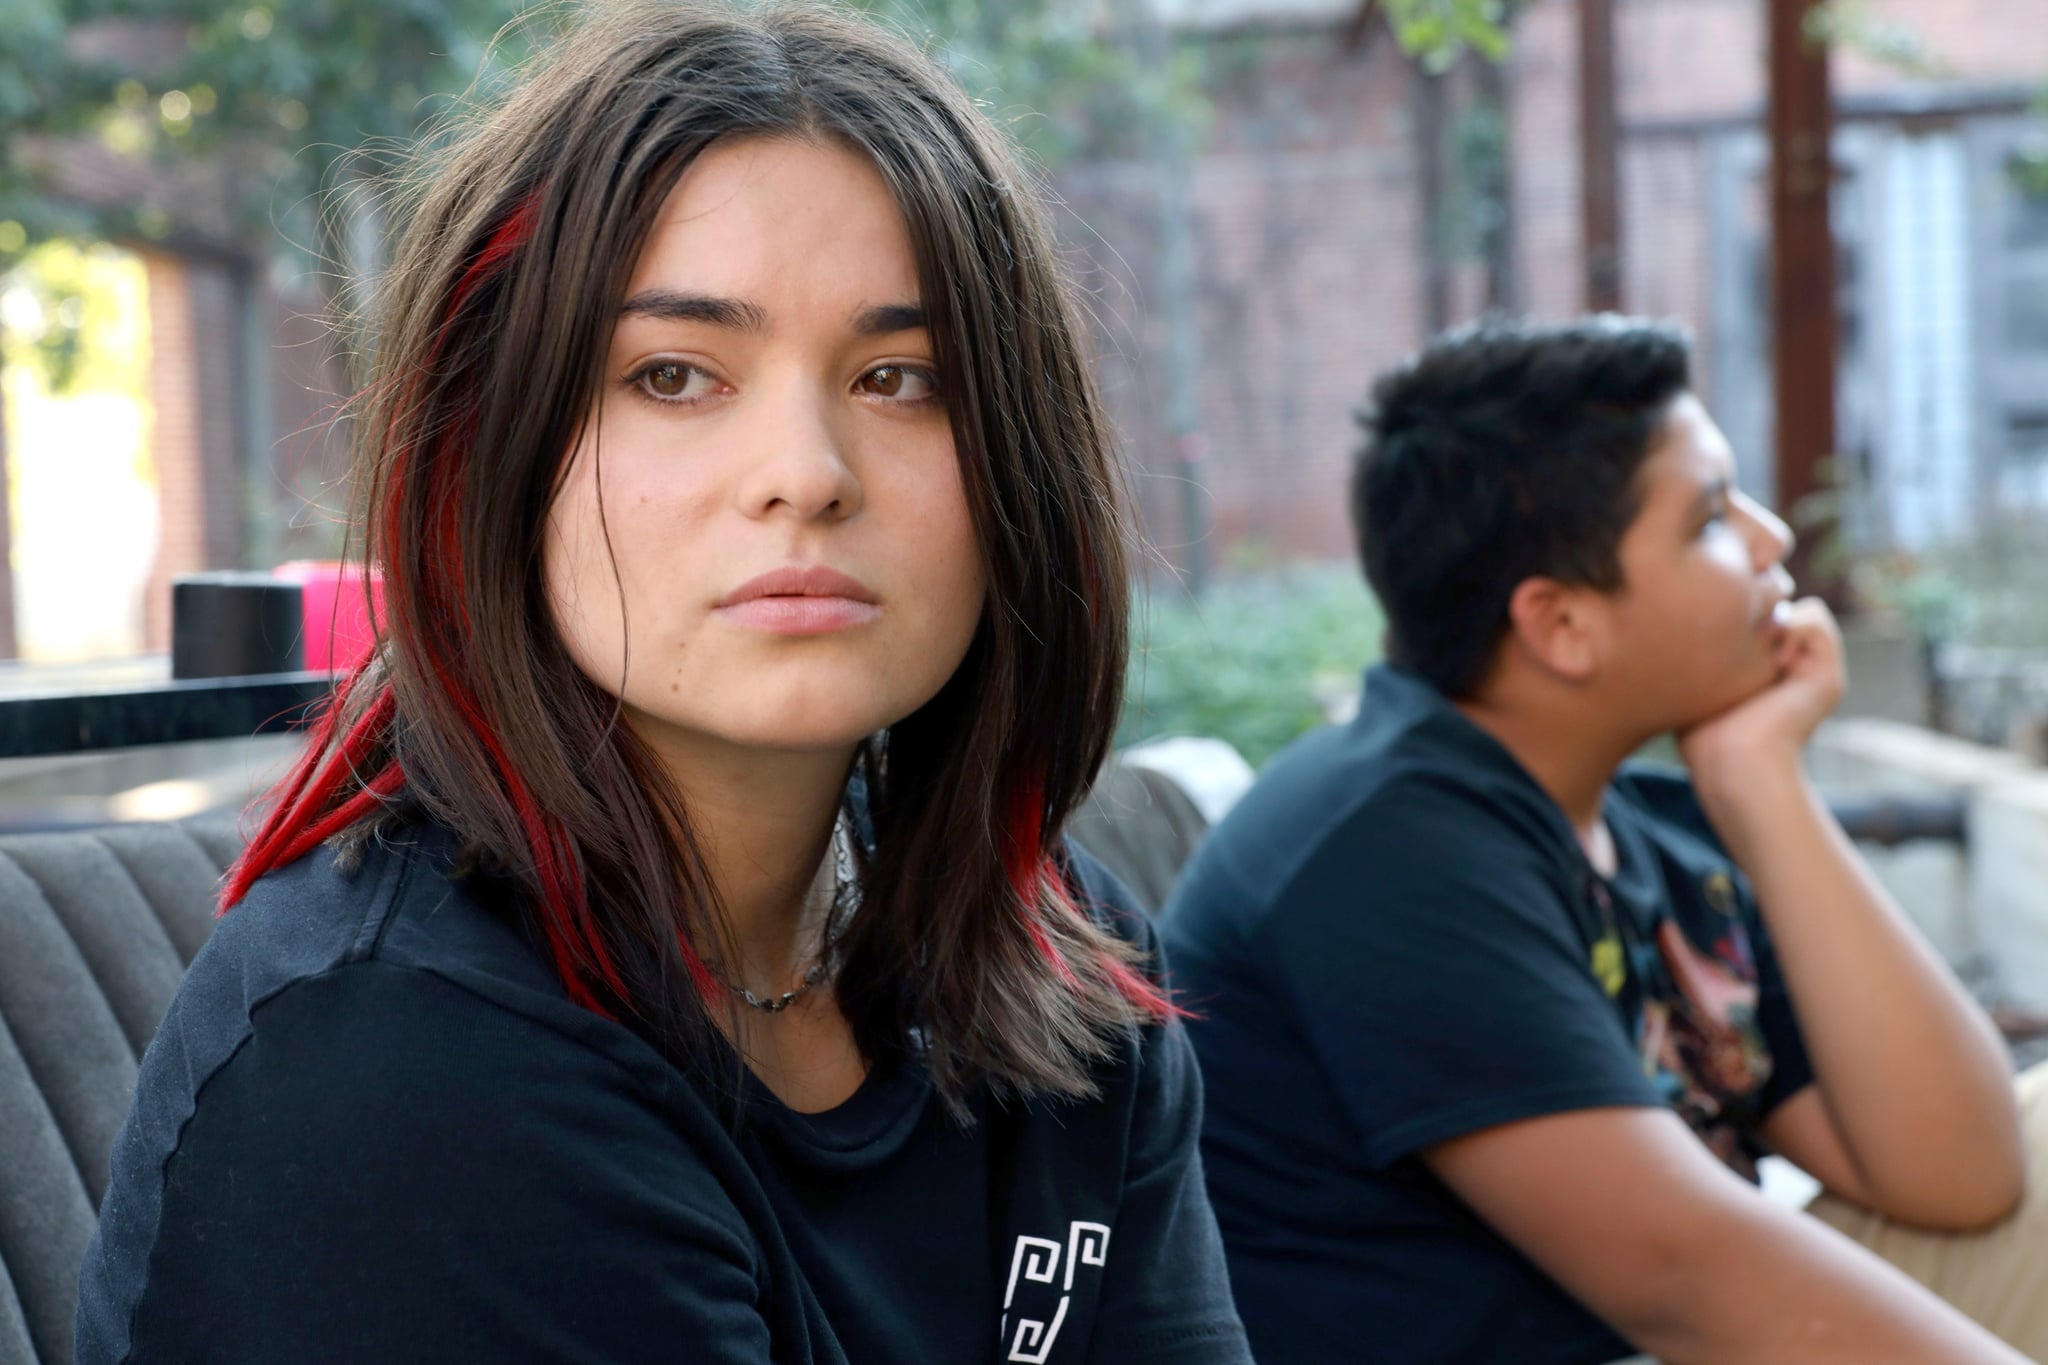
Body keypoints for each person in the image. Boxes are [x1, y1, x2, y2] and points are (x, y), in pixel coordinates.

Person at [76, 5, 1250, 1361]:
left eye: (901, 377)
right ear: (494, 455)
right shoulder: (406, 1062)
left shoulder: (1056, 968)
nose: (806, 471)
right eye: (676, 375)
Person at [1159, 317, 2048, 1364]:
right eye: (1709, 516)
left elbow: (1957, 1178)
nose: (1770, 540)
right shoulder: (1379, 852)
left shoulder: (1629, 825)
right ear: (1560, 625)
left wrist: (1762, 787)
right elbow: (1681, 1275)